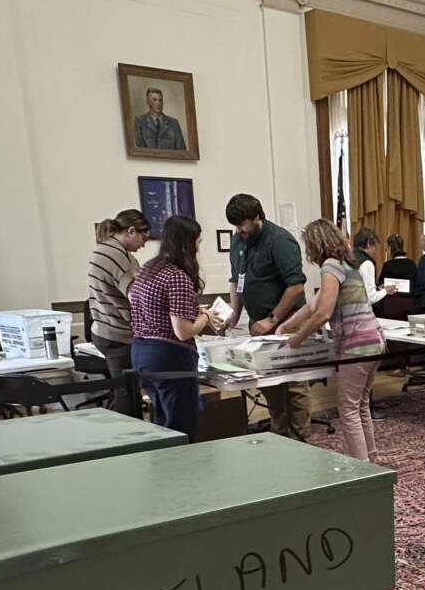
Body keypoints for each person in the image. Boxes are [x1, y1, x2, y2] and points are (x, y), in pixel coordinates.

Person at [280, 219, 385, 464]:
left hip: (356, 345)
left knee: (347, 409)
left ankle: (362, 467)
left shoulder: (330, 267)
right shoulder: (348, 265)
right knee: (361, 406)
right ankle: (371, 459)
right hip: (374, 340)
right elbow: (312, 305)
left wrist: (296, 338)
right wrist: (284, 325)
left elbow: (322, 313)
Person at [223, 193, 311, 440]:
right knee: (270, 383)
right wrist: (235, 312)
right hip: (258, 323)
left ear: (257, 217)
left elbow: (296, 286)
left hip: (288, 320)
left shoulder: (280, 240)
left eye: (243, 224)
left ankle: (300, 439)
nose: (239, 230)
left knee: (294, 385)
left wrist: (272, 320)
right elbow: (236, 279)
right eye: (236, 225)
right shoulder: (238, 241)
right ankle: (280, 434)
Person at [128, 214, 218, 439]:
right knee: (180, 426)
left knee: (160, 423)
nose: (198, 247)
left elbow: (155, 309)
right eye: (198, 241)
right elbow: (183, 331)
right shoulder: (177, 276)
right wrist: (206, 316)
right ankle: (182, 470)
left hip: (141, 352)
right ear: (187, 242)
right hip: (169, 356)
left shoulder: (149, 268)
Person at [87, 209, 150, 413]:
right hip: (118, 334)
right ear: (131, 231)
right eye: (143, 238)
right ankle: (133, 438)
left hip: (105, 329)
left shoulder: (104, 249)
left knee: (123, 391)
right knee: (127, 394)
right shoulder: (116, 255)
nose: (143, 245)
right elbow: (137, 297)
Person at [133, 87, 186, 151]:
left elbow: (182, 150)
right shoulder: (139, 121)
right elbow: (139, 149)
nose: (158, 103)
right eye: (154, 100)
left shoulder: (173, 123)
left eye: (160, 100)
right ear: (148, 101)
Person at [352, 227, 388, 306]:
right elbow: (370, 297)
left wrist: (377, 288)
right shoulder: (367, 263)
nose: (375, 250)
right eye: (374, 246)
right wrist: (386, 290)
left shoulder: (348, 257)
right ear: (368, 244)